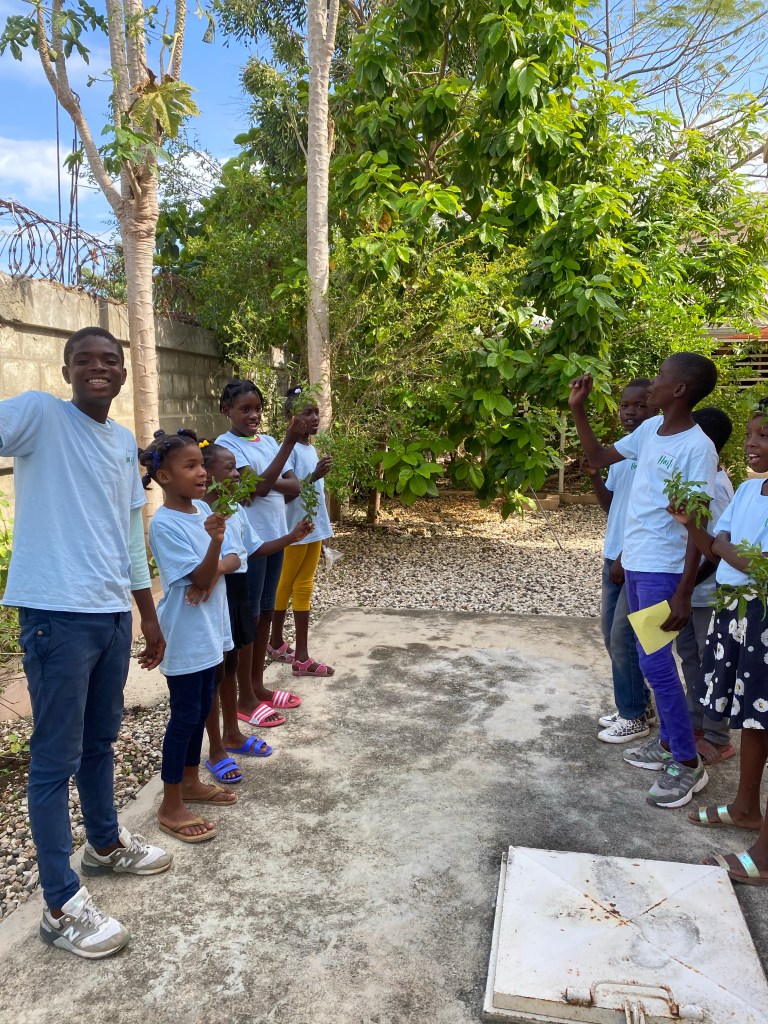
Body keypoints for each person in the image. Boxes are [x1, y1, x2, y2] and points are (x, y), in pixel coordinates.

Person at [0, 326, 170, 960]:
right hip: (57, 615)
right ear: (66, 369)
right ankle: (59, 905)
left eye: (110, 360)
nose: (99, 368)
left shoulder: (122, 442)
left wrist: (146, 614)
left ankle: (104, 844)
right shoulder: (40, 415)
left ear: (124, 372)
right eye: (85, 360)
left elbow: (127, 533)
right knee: (53, 760)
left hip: (111, 613)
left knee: (100, 741)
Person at [569, 352, 718, 809]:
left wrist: (684, 591)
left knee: (656, 665)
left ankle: (688, 763)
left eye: (661, 377)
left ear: (680, 390)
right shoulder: (651, 430)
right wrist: (578, 409)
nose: (651, 383)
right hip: (637, 562)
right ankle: (670, 742)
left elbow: (697, 523)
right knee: (647, 656)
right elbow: (598, 458)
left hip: (663, 569)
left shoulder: (698, 448)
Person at [668, 400, 768, 884]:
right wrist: (693, 526)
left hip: (763, 613)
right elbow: (720, 548)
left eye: (763, 436)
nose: (751, 443)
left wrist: (726, 548)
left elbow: (757, 563)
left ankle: (766, 855)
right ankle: (746, 807)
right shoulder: (749, 490)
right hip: (738, 611)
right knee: (753, 717)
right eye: (750, 434)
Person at [140, 429, 241, 844]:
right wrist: (215, 545)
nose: (202, 473)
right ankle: (170, 804)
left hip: (210, 631)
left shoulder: (201, 509)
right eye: (191, 466)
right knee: (183, 718)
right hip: (186, 636)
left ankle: (191, 782)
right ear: (164, 477)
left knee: (200, 711)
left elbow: (235, 558)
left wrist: (217, 560)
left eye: (201, 465)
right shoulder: (165, 525)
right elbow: (200, 575)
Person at [197, 441, 312, 783]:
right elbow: (205, 567)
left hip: (236, 594)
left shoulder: (236, 509)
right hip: (212, 599)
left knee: (231, 665)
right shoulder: (199, 515)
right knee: (213, 674)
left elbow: (254, 549)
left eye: (237, 467)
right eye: (229, 469)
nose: (237, 474)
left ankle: (232, 733)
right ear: (208, 474)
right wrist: (222, 566)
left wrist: (291, 537)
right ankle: (215, 748)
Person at [215, 379, 306, 728]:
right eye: (245, 409)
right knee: (249, 619)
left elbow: (293, 487)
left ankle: (258, 685)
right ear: (227, 410)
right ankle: (245, 698)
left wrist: (266, 480)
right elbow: (257, 490)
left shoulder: (267, 442)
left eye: (257, 409)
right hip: (249, 544)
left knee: (266, 612)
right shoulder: (226, 446)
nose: (253, 415)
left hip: (275, 537)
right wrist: (287, 445)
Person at [583, 378, 657, 743]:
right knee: (611, 635)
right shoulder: (621, 452)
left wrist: (625, 558)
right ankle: (638, 703)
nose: (630, 412)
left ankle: (633, 716)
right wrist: (596, 476)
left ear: (656, 408)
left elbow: (654, 514)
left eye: (640, 405)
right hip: (614, 553)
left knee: (625, 637)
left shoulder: (654, 451)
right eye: (625, 405)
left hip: (636, 558)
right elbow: (610, 505)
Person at [675, 407, 735, 767]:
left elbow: (716, 552)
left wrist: (683, 590)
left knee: (712, 663)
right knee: (691, 657)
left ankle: (717, 736)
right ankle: (696, 723)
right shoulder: (698, 481)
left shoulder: (718, 490)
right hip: (690, 593)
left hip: (706, 594)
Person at [268, 387, 336, 677]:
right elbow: (288, 492)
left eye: (316, 412)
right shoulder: (288, 450)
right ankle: (287, 649)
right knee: (286, 584)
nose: (314, 418)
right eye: (307, 413)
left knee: (303, 584)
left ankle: (287, 649)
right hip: (294, 529)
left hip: (313, 526)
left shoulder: (310, 447)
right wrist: (315, 475)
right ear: (291, 417)